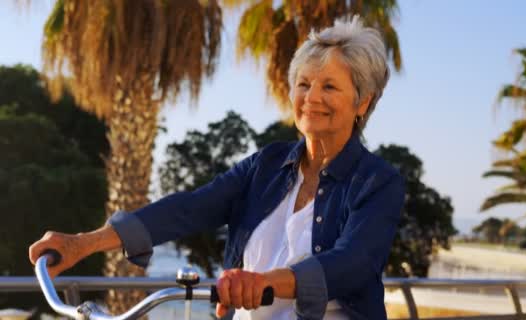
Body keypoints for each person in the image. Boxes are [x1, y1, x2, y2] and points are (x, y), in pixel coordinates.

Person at [29, 16, 405, 320]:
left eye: (329, 87)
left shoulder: (378, 182)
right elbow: (191, 207)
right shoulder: (268, 163)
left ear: (362, 102)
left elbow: (353, 262)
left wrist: (261, 282)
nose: (311, 98)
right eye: (303, 84)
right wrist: (84, 243)